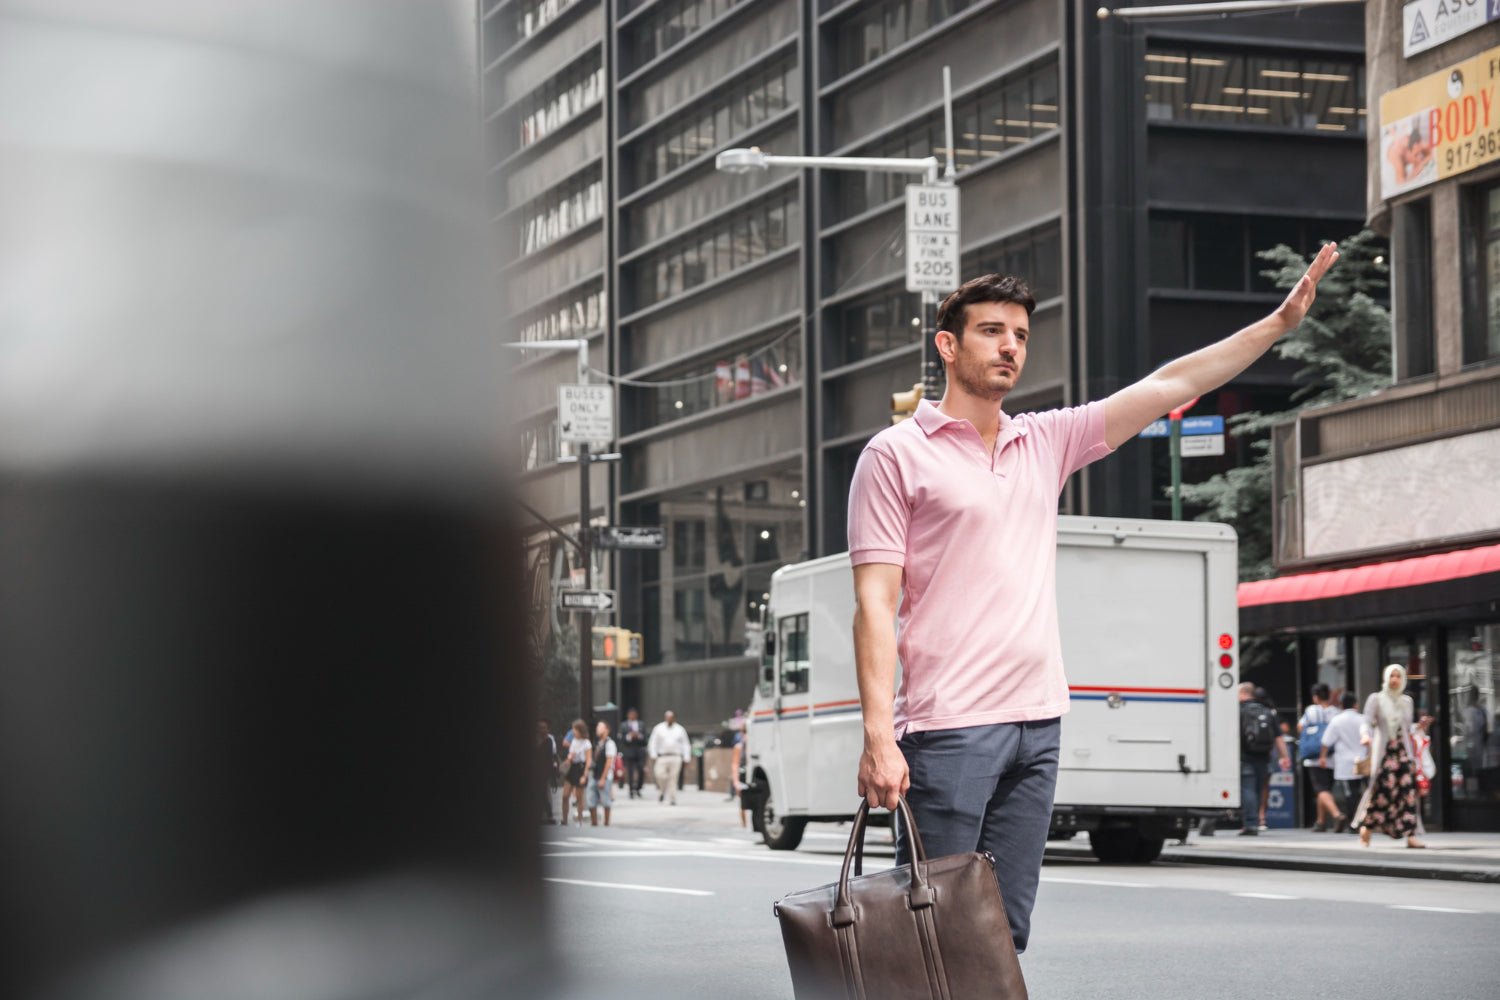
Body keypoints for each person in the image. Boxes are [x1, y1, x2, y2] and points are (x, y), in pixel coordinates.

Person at [847, 246, 1340, 954]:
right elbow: (874, 601)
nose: (1010, 347)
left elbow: (1170, 383)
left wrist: (1275, 325)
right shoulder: (896, 456)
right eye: (992, 331)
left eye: (1019, 335)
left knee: (1002, 932)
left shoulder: (1043, 441)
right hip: (948, 727)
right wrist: (877, 737)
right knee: (928, 927)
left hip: (1037, 723)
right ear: (948, 346)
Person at [1354, 665, 1426, 849]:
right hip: (1384, 754)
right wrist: (1365, 735)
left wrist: (1421, 727)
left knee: (1408, 793)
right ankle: (1367, 827)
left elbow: (1408, 728)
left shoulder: (1407, 701)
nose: (1395, 680)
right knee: (1381, 792)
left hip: (1403, 753)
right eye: (1392, 676)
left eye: (1398, 676)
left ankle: (1411, 834)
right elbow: (1366, 721)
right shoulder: (1376, 699)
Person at [1239, 683, 1291, 835]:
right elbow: (1279, 737)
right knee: (1258, 790)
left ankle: (1250, 823)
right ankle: (1256, 820)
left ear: (1243, 693)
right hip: (1264, 756)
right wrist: (1285, 756)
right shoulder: (1267, 711)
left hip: (1245, 756)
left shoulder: (1239, 710)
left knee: (1248, 789)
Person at [1319, 691, 1366, 832]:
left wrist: (1322, 757)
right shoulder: (1363, 719)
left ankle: (1353, 824)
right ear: (1356, 704)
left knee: (1350, 794)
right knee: (1365, 792)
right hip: (1364, 760)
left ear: (1340, 705)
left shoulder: (1337, 720)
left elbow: (1326, 741)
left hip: (1345, 763)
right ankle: (1365, 820)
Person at [1298, 683, 1342, 831]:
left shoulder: (1311, 711)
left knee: (1321, 789)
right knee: (1325, 789)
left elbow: (1300, 727)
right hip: (1333, 756)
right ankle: (1320, 821)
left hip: (1315, 756)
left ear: (1315, 697)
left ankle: (1337, 815)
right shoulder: (1336, 712)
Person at [648, 709, 691, 805]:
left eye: (671, 717)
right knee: (660, 775)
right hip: (662, 757)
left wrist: (686, 757)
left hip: (676, 757)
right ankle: (662, 791)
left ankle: (672, 798)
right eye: (667, 717)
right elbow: (653, 742)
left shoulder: (680, 729)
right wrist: (653, 754)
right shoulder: (658, 728)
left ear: (674, 718)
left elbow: (685, 744)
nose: (669, 719)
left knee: (673, 778)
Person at [559, 719, 591, 828]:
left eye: (575, 729)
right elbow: (571, 755)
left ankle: (579, 820)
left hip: (581, 768)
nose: (573, 732)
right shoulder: (573, 741)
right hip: (572, 768)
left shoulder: (587, 743)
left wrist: (585, 775)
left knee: (579, 797)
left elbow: (588, 760)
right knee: (565, 795)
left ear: (580, 730)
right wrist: (568, 759)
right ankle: (564, 819)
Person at [586, 720, 617, 827]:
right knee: (590, 799)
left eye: (600, 727)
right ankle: (594, 822)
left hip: (604, 776)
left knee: (605, 800)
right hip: (594, 775)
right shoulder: (598, 743)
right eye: (597, 727)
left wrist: (603, 778)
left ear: (606, 730)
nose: (597, 729)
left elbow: (609, 762)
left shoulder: (610, 743)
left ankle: (606, 823)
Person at [620, 707, 648, 799]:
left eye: (634, 714)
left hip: (639, 750)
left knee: (641, 770)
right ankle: (631, 790)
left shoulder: (641, 724)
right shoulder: (623, 725)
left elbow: (645, 739)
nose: (632, 716)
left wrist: (638, 735)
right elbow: (622, 739)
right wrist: (629, 736)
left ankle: (638, 788)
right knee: (630, 772)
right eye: (630, 714)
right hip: (629, 751)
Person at [538, 720, 559, 824]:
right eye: (540, 727)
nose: (542, 729)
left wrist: (552, 773)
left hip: (544, 771)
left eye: (544, 727)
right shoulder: (536, 740)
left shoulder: (549, 740)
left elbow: (550, 757)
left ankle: (548, 815)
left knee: (544, 793)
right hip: (536, 770)